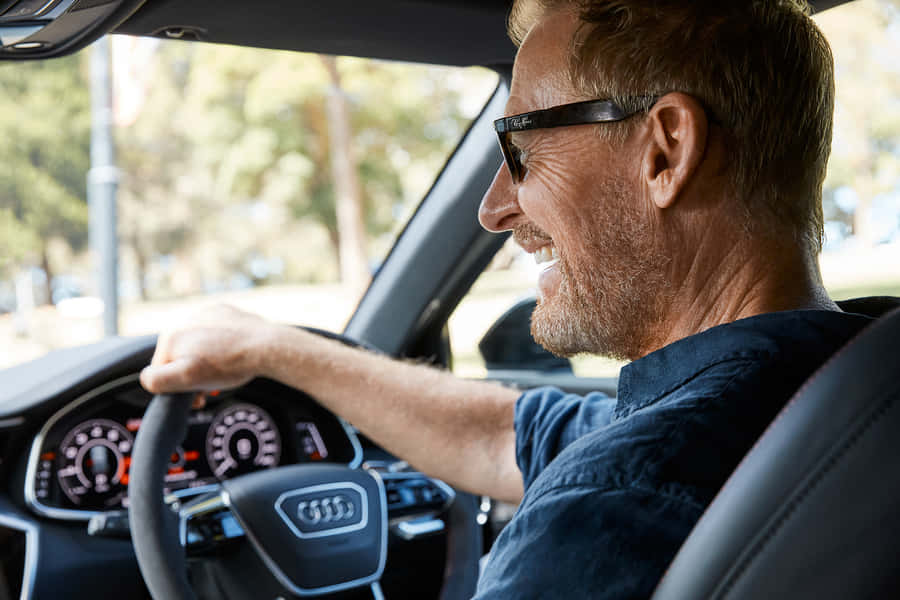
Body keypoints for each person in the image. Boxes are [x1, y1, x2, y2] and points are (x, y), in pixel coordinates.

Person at [140, 0, 897, 597]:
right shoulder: (851, 384)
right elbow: (505, 437)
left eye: (522, 151)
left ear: (665, 150)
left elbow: (605, 468)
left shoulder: (615, 504)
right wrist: (272, 348)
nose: (494, 208)